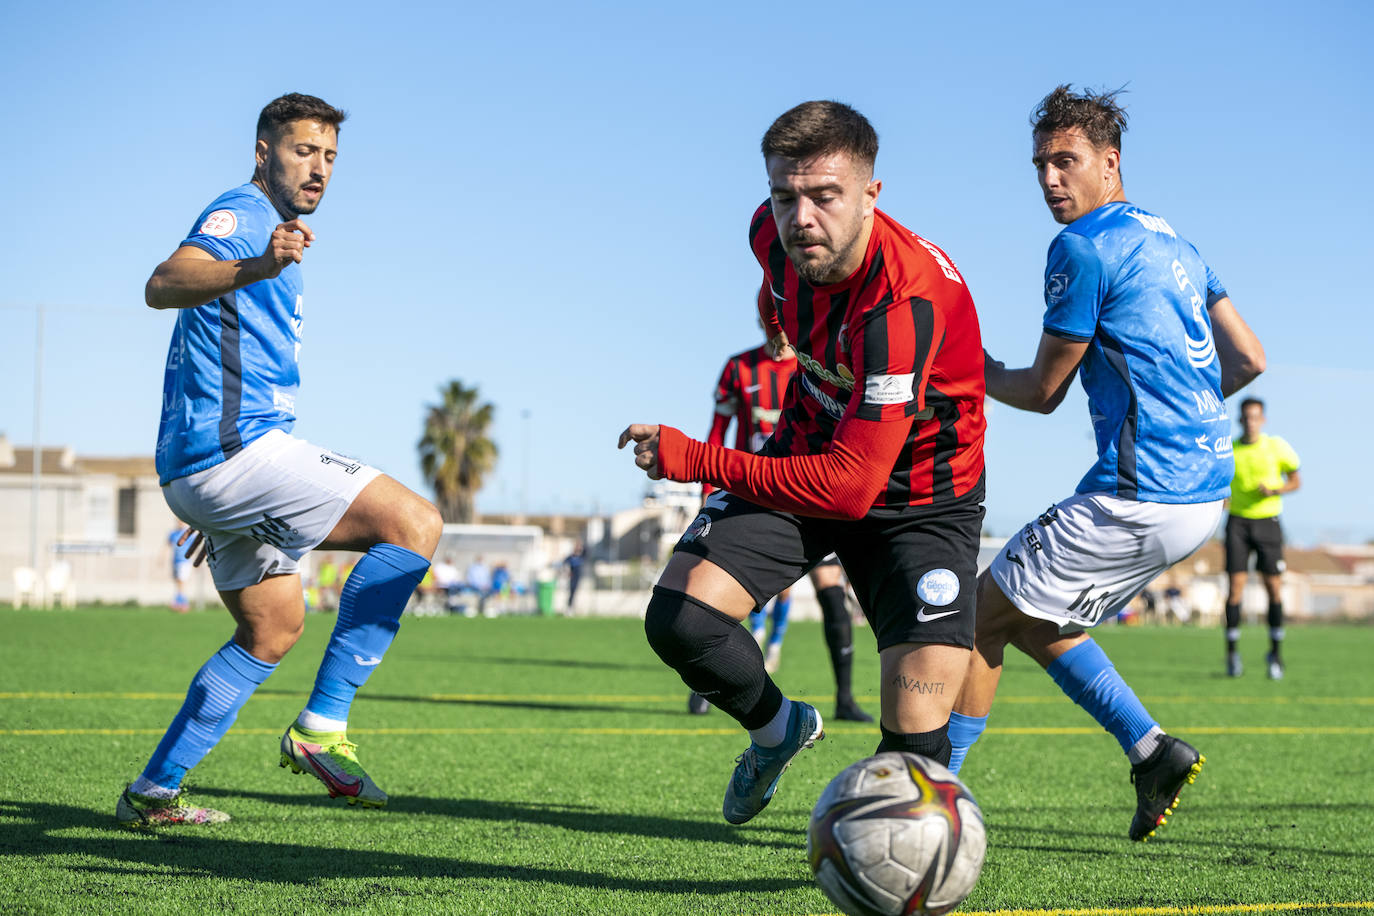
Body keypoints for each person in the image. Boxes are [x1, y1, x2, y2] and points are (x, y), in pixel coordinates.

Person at [620, 100, 987, 826]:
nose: (801, 218)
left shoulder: (903, 301)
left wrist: (697, 459)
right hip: (809, 449)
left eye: (825, 196)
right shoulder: (771, 239)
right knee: (681, 622)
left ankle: (900, 864)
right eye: (785, 196)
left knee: (909, 763)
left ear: (871, 196)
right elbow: (781, 306)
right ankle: (777, 729)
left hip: (922, 500)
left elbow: (852, 489)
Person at [945, 85, 1266, 842]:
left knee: (977, 617)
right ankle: (1152, 749)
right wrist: (1183, 411)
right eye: (1039, 166)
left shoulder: (1081, 246)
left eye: (1066, 161)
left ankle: (932, 799)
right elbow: (1248, 358)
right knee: (1029, 616)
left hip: (1139, 492)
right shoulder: (1176, 243)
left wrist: (960, 368)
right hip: (1202, 490)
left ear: (1109, 162)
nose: (1051, 179)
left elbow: (1042, 390)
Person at [118, 93, 443, 827]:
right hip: (233, 454)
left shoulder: (281, 233)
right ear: (262, 152)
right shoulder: (244, 215)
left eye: (329, 157)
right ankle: (322, 727)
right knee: (414, 522)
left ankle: (153, 793)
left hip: (212, 470)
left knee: (273, 629)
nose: (319, 168)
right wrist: (257, 263)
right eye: (303, 151)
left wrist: (220, 499)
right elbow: (162, 283)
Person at [686, 334, 872, 723]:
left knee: (834, 599)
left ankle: (845, 698)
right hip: (756, 493)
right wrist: (709, 489)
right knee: (714, 595)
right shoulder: (739, 367)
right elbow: (718, 430)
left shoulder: (821, 363)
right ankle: (706, 687)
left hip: (814, 495)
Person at [1224, 397, 1300, 679]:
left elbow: (1295, 480)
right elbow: (1220, 488)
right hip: (1238, 523)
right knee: (1235, 588)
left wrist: (1276, 489)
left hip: (1268, 522)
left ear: (1263, 419)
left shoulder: (1276, 446)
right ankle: (1232, 654)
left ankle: (1275, 654)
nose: (1251, 422)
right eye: (1246, 417)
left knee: (1274, 589)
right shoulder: (1230, 450)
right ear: (1240, 420)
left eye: (1255, 417)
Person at [168, 527, 194, 612]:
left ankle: (182, 603)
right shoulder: (173, 533)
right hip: (175, 561)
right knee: (178, 582)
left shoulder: (189, 534)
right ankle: (180, 603)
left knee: (181, 582)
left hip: (184, 561)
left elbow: (194, 546)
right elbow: (167, 546)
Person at [563, 542, 586, 611]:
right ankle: (569, 608)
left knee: (577, 594)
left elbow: (587, 551)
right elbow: (565, 563)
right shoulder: (571, 557)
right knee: (571, 593)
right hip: (572, 578)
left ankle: (575, 607)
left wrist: (581, 546)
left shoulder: (582, 557)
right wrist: (567, 571)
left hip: (579, 578)